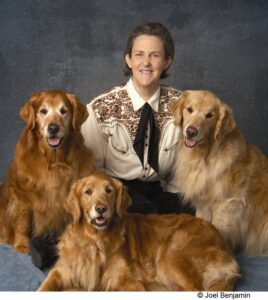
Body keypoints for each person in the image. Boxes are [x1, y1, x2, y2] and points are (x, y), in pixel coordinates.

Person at [81, 22, 194, 215]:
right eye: (139, 55)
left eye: (155, 55)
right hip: (118, 192)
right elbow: (90, 170)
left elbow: (187, 165)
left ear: (167, 61)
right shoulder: (101, 108)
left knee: (202, 219)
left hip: (160, 191)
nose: (146, 63)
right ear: (128, 60)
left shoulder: (184, 106)